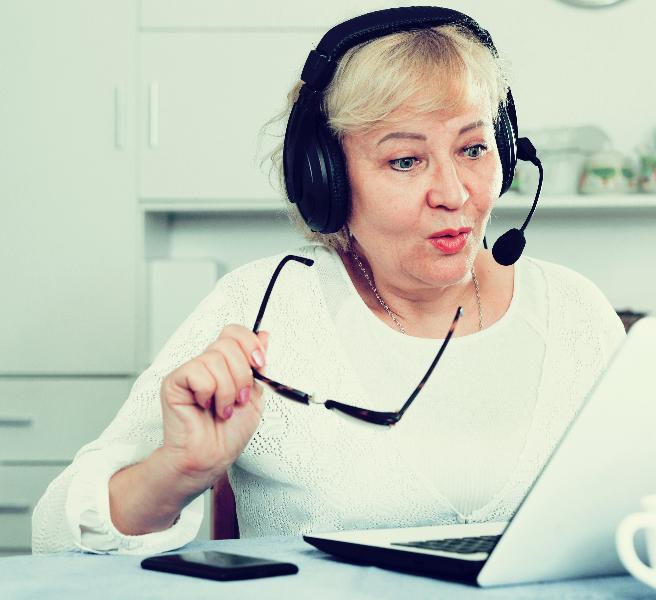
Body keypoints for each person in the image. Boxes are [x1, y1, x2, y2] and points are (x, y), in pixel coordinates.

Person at [31, 7, 625, 555]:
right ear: (326, 180)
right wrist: (176, 471)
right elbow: (56, 537)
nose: (453, 194)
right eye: (404, 160)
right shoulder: (260, 307)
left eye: (473, 148)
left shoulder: (576, 313)